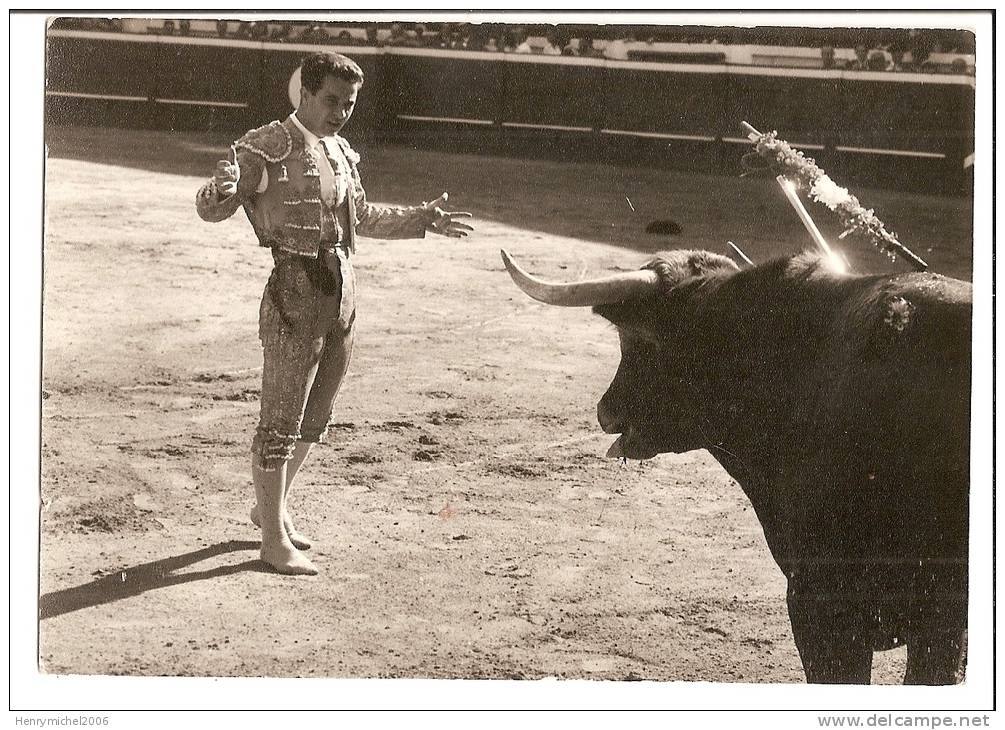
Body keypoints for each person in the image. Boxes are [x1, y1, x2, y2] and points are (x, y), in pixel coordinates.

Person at [195, 53, 473, 575]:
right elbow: (213, 208)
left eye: (349, 104)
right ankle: (273, 542)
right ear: (305, 93)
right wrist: (221, 188)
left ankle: (268, 508)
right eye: (332, 101)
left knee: (316, 414)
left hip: (342, 288)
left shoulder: (341, 151)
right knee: (280, 416)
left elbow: (360, 216)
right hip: (293, 289)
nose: (341, 112)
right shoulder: (263, 146)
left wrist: (420, 220)